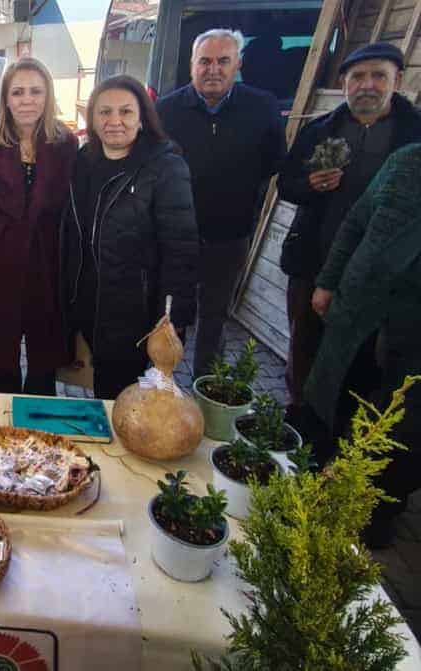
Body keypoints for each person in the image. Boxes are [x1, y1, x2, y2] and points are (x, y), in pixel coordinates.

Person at [278, 42, 421, 411]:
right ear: (344, 83)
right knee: (305, 345)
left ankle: (346, 437)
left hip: (385, 274)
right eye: (357, 76)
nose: (367, 85)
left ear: (397, 80)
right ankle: (297, 423)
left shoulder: (413, 137)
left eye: (378, 76)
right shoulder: (320, 130)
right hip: (313, 260)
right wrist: (310, 185)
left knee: (366, 359)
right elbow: (286, 184)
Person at [304, 143, 421, 548]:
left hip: (413, 331)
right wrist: (329, 279)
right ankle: (313, 478)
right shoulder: (404, 162)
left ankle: (376, 511)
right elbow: (355, 223)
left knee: (403, 426)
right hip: (359, 311)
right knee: (338, 397)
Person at [157, 29, 285, 377]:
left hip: (229, 236)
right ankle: (161, 392)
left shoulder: (262, 107)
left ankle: (204, 394)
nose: (213, 69)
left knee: (214, 320)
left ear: (237, 64)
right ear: (192, 66)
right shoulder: (165, 110)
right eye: (205, 61)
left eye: (222, 61)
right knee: (169, 317)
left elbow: (275, 163)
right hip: (174, 239)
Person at [64, 75, 199, 399]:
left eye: (125, 112)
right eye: (104, 112)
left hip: (136, 316)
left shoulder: (165, 168)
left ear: (142, 119)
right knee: (104, 393)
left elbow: (180, 249)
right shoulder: (84, 162)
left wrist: (172, 316)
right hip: (92, 306)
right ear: (92, 119)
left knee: (130, 401)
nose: (114, 121)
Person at [0, 58, 77, 395]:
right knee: (3, 353)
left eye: (36, 91)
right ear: (6, 99)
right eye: (18, 92)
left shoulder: (66, 143)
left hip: (48, 261)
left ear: (48, 95)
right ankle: (5, 423)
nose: (27, 100)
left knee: (45, 354)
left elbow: (72, 212)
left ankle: (42, 426)